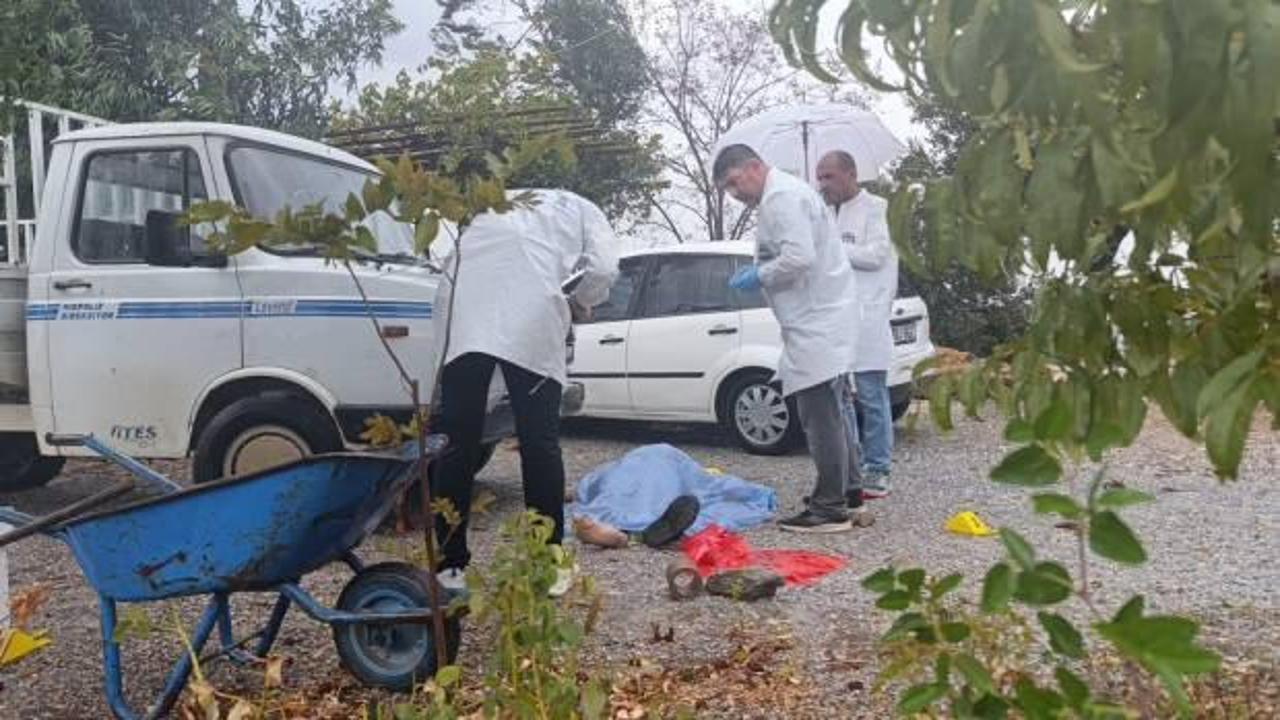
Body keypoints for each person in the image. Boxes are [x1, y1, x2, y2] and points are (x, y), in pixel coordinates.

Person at [430, 189, 619, 596]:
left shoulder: (492, 203)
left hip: (463, 307)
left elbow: (448, 257)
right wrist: (583, 301)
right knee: (539, 442)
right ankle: (547, 564)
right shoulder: (585, 208)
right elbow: (602, 269)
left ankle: (449, 567)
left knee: (457, 443)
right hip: (532, 310)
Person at [714, 144, 869, 533]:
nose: (735, 195)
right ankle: (849, 492)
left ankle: (829, 508)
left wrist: (760, 275)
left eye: (734, 183)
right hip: (821, 318)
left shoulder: (781, 197)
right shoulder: (787, 193)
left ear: (753, 167)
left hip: (817, 321)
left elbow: (799, 258)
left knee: (820, 416)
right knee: (832, 411)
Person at [816, 150, 898, 499]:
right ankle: (853, 464)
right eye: (820, 177)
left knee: (871, 396)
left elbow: (876, 255)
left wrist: (833, 250)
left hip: (869, 317)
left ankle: (878, 468)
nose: (823, 184)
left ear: (851, 174)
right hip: (837, 318)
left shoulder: (875, 207)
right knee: (841, 399)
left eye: (829, 176)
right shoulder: (826, 214)